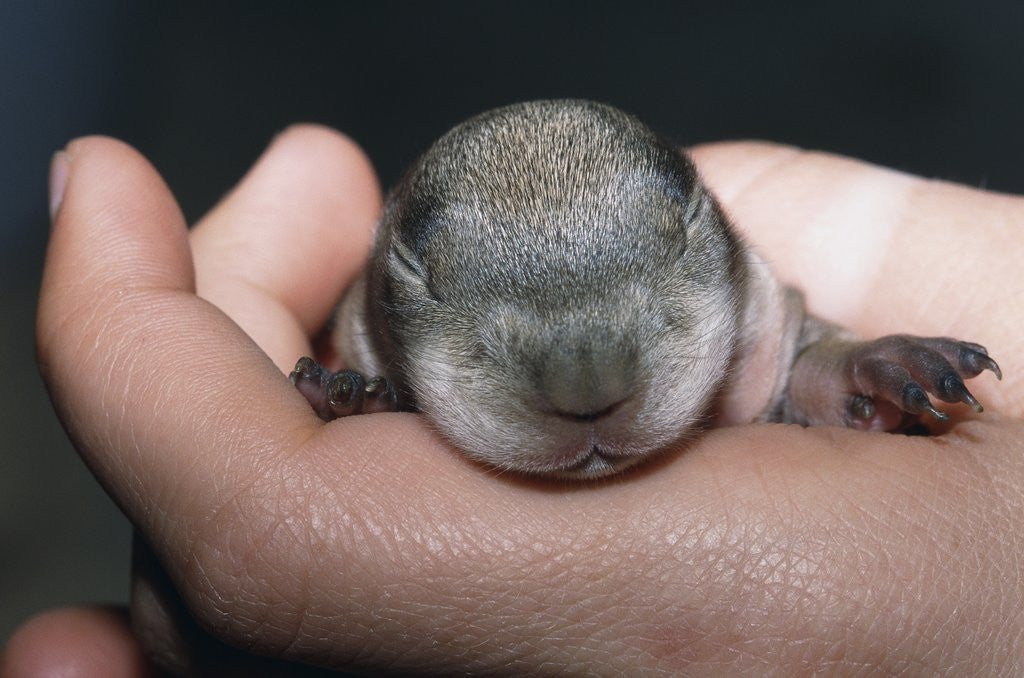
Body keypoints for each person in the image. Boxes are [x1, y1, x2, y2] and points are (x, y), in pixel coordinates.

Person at [4, 126, 1022, 676]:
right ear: (377, 292)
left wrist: (852, 370)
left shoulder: (758, 295)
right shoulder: (360, 332)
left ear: (716, 236)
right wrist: (365, 404)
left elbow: (801, 344)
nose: (587, 394)